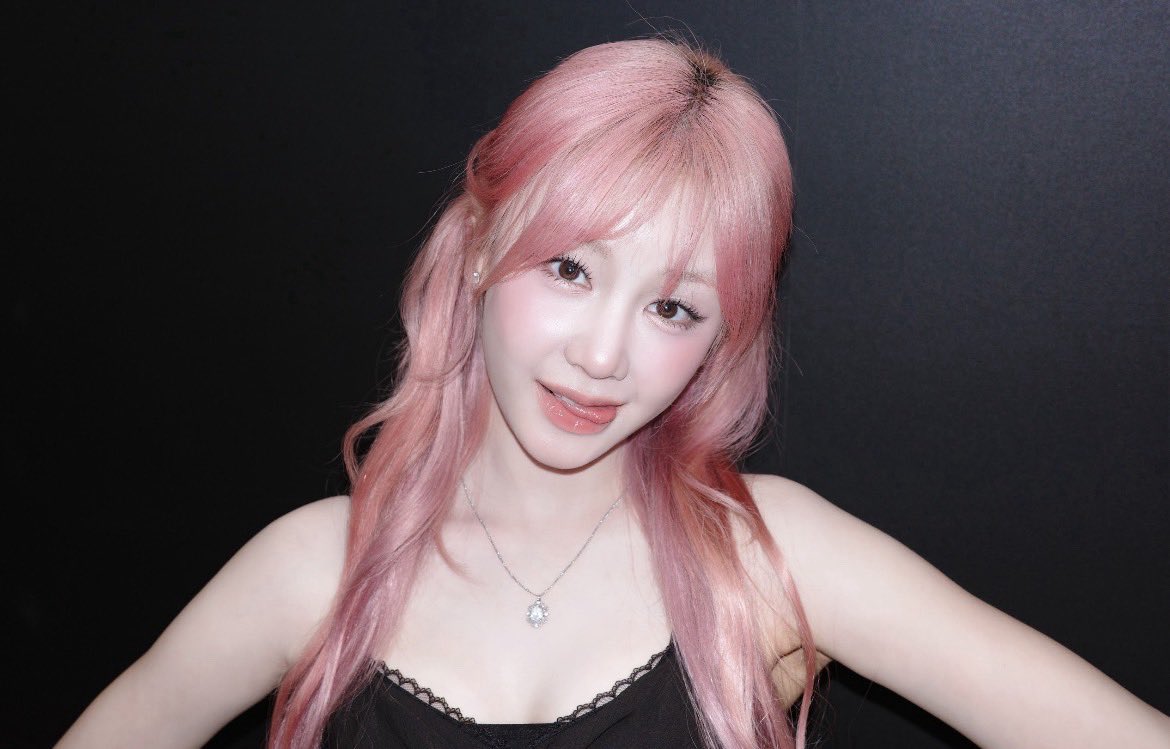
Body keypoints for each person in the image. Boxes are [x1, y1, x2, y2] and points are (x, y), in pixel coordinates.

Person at [55, 37, 1169, 749]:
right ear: (480, 249)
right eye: (570, 269)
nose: (601, 355)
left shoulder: (767, 559)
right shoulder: (311, 570)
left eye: (673, 307)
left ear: (720, 341)